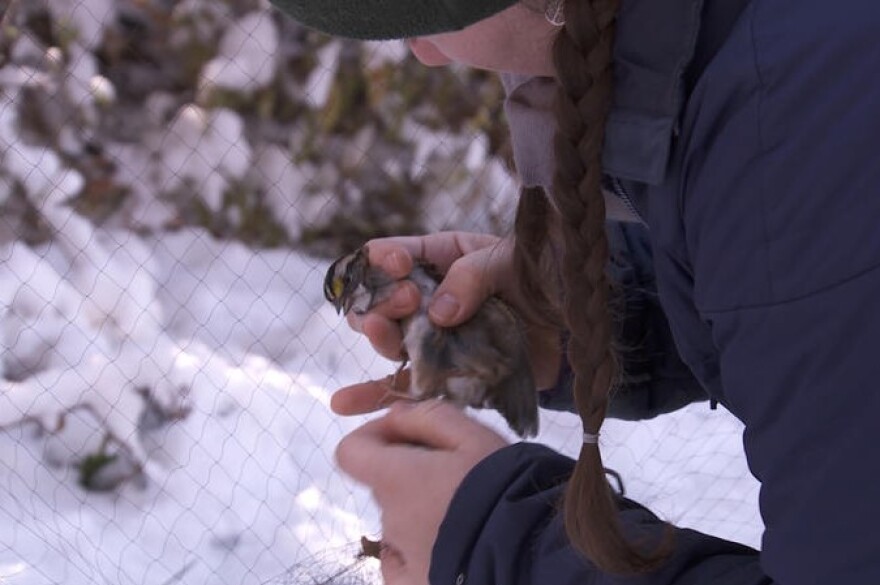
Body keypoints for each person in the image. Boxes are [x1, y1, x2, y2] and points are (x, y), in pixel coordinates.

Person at [271, 1, 880, 584]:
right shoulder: (754, 63)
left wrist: (495, 546)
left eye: (423, 14)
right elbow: (807, 302)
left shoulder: (786, 136)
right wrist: (585, 313)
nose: (425, 52)